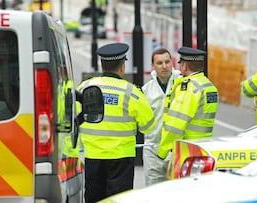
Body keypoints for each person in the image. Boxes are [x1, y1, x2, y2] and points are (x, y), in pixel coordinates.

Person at [77, 43, 156, 203]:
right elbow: (149, 126)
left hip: (93, 155)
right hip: (121, 158)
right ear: (122, 66)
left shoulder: (85, 87)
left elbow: (73, 117)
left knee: (94, 197)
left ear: (101, 64)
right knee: (119, 199)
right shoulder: (131, 92)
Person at [156, 46, 219, 160]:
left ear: (185, 65)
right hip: (204, 147)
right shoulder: (209, 86)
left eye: (181, 64)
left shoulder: (189, 88)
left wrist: (162, 151)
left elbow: (176, 123)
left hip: (188, 150)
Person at [142, 48, 180, 186]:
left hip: (177, 149)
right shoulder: (146, 90)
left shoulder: (182, 84)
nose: (164, 66)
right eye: (159, 63)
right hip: (153, 149)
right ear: (153, 66)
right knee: (153, 192)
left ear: (172, 62)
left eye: (167, 62)